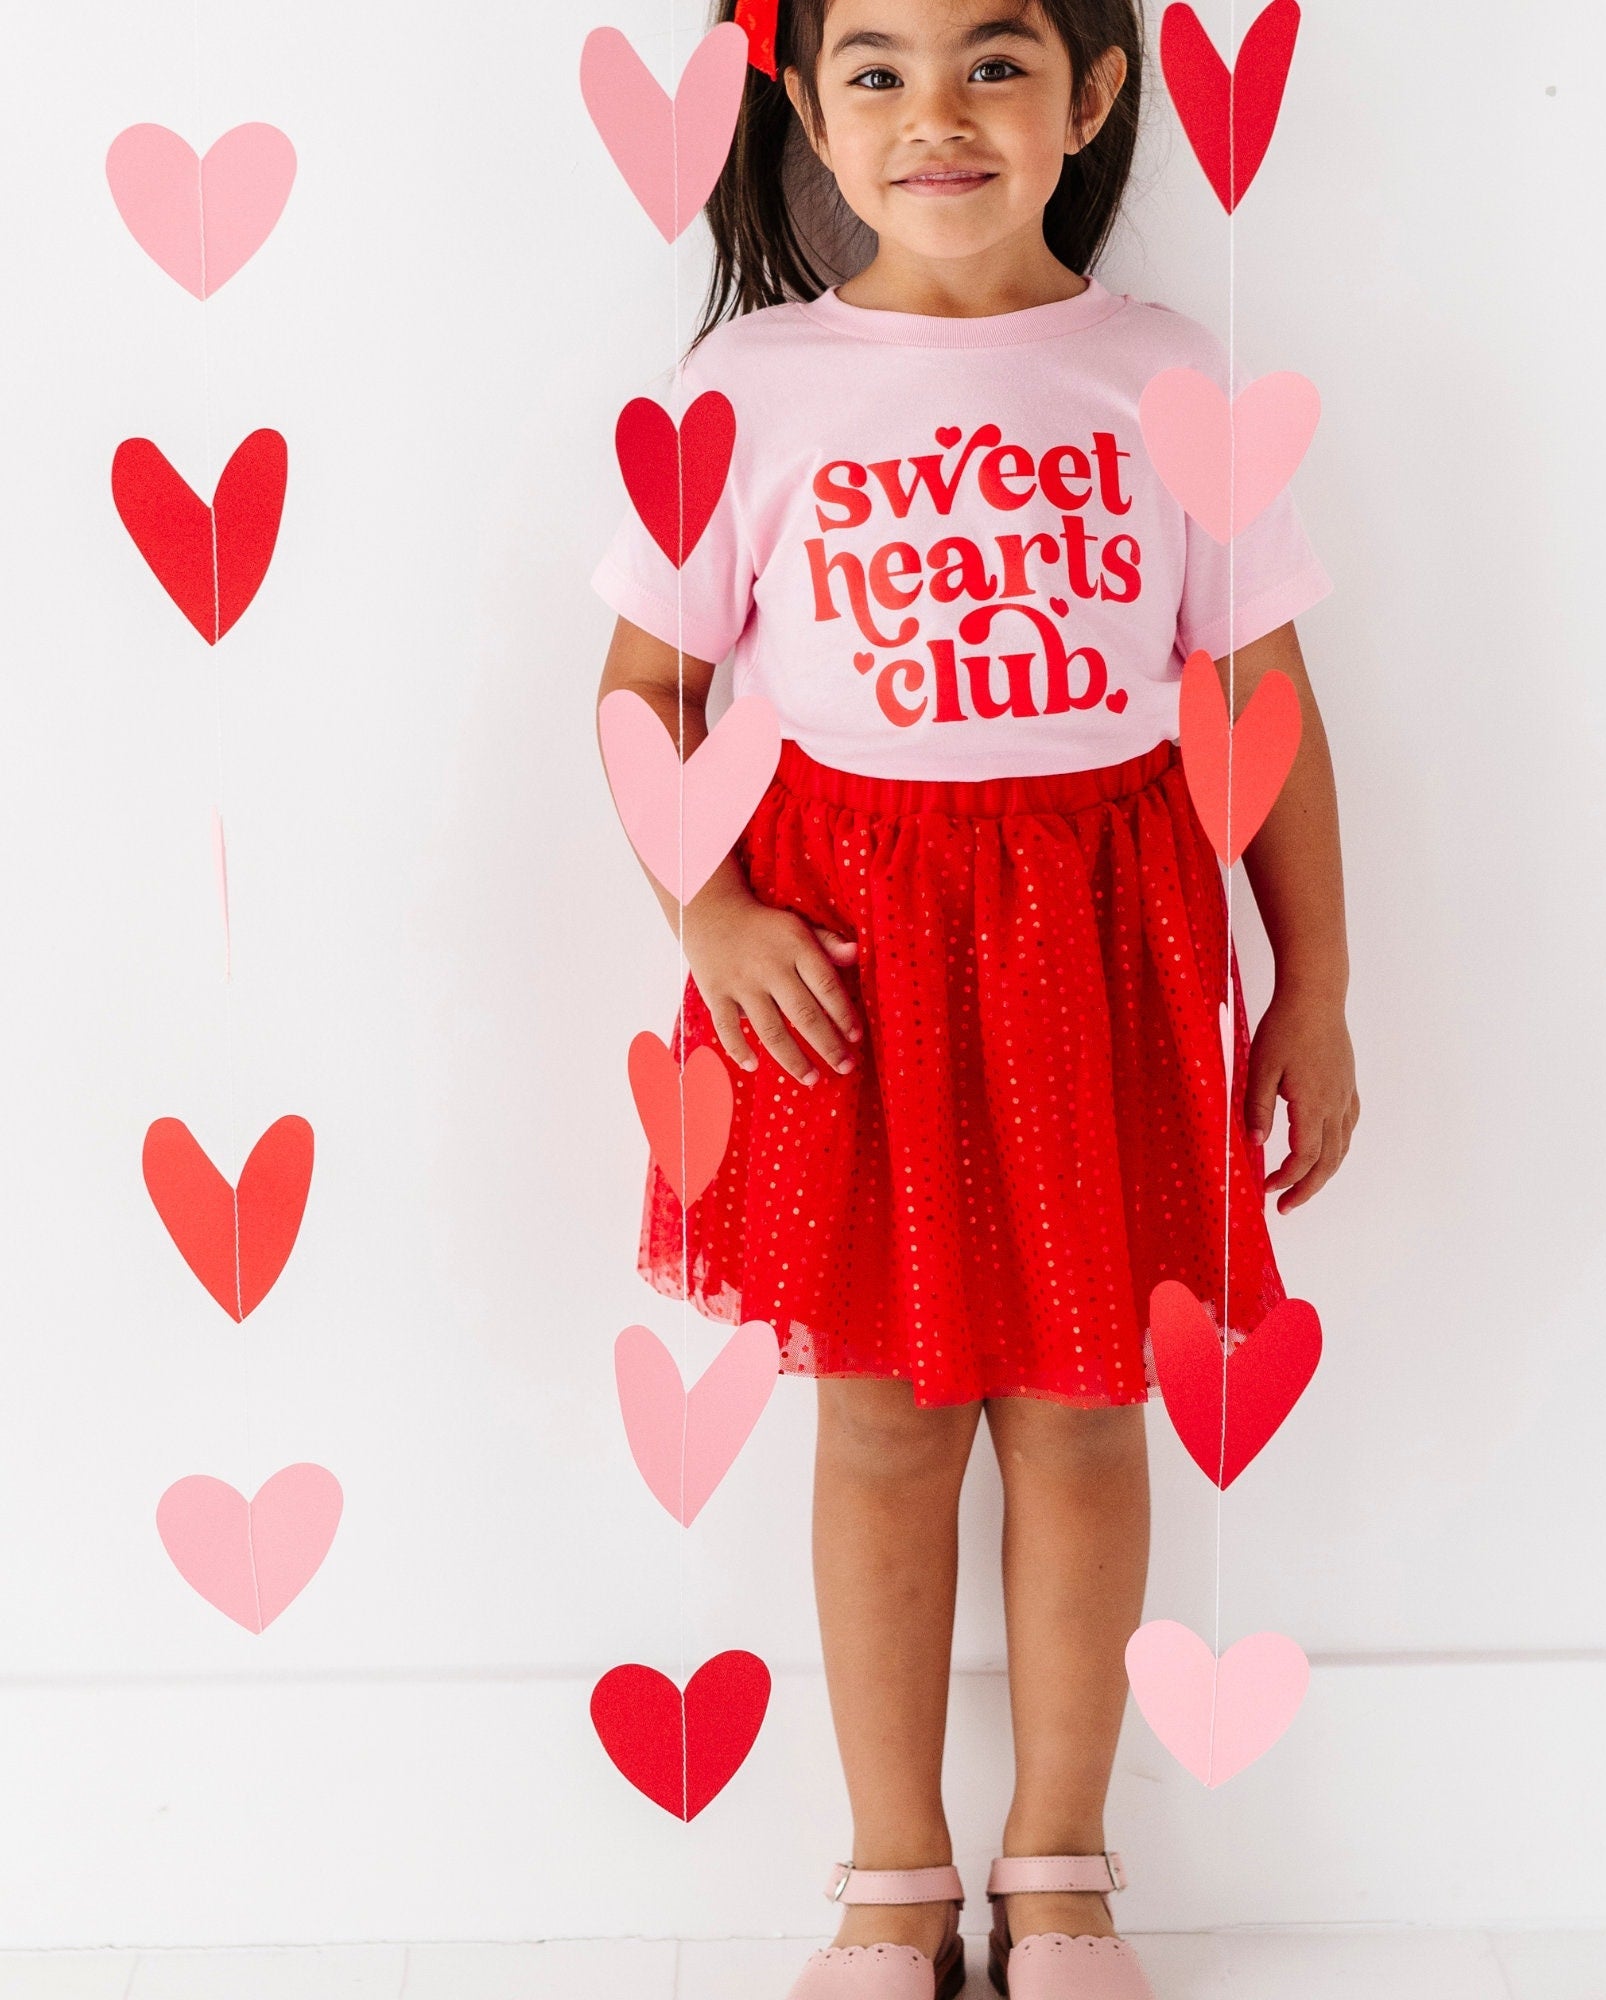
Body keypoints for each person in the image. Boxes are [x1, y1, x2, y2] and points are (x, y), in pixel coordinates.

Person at [592, 0, 1357, 1990]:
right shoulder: (747, 388)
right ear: (808, 109)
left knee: (1090, 1416)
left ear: (1090, 98)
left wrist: (1318, 984)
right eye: (879, 71)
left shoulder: (1164, 374)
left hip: (1100, 953)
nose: (937, 113)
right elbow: (646, 686)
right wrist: (709, 918)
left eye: (995, 63)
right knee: (877, 1423)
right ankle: (891, 1881)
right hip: (846, 972)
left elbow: (1258, 694)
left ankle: (1062, 1873)